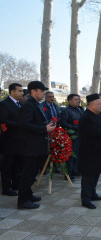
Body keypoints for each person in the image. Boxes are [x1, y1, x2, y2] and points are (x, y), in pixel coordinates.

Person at [17, 81, 56, 209]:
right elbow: (25, 124)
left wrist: (47, 125)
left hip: (37, 146)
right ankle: (23, 200)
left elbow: (37, 122)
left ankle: (28, 194)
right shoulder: (28, 105)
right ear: (33, 91)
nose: (44, 93)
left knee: (32, 173)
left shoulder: (35, 104)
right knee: (27, 173)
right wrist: (44, 129)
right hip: (30, 146)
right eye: (42, 90)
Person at [78, 93, 101, 209]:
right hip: (89, 153)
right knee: (88, 176)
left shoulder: (95, 115)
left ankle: (92, 193)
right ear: (91, 104)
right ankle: (86, 199)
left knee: (95, 174)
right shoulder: (86, 117)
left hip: (97, 151)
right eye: (99, 103)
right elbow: (95, 132)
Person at [0, 83, 23, 196]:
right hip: (9, 140)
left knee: (17, 164)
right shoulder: (5, 104)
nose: (22, 93)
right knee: (8, 165)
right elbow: (3, 121)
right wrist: (20, 124)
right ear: (12, 91)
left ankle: (16, 184)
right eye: (19, 91)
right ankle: (6, 187)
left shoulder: (19, 104)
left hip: (19, 140)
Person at [60, 94, 84, 179]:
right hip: (71, 136)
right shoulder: (66, 111)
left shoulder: (80, 109)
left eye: (79, 99)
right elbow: (63, 123)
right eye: (76, 99)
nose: (78, 101)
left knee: (77, 154)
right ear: (69, 101)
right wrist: (75, 127)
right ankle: (68, 174)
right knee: (70, 155)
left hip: (79, 135)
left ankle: (75, 171)